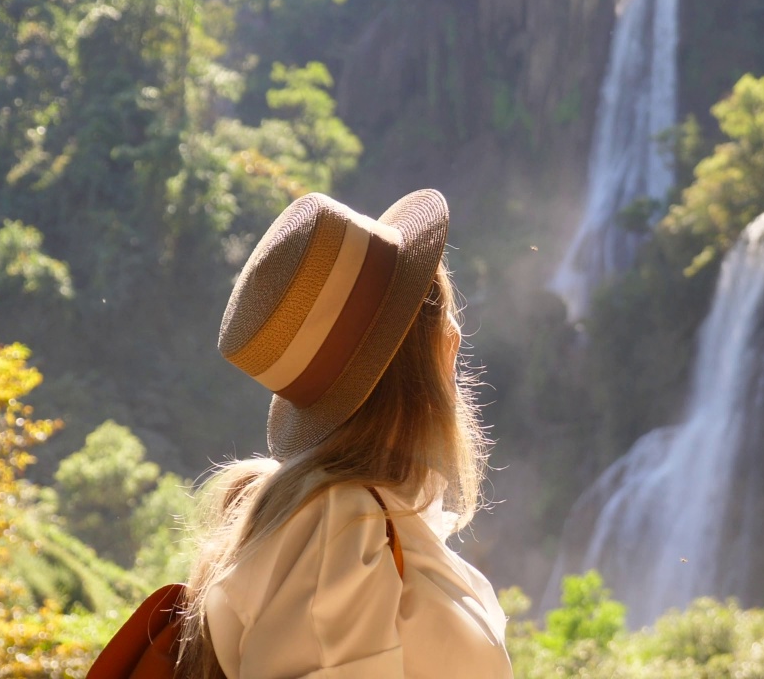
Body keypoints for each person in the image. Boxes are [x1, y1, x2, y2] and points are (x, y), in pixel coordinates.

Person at [174, 189, 512, 678]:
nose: (458, 333)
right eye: (446, 318)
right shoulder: (341, 526)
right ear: (433, 350)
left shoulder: (363, 518)